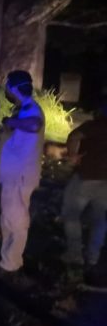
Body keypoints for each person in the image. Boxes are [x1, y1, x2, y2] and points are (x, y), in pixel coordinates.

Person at [0, 70, 44, 275]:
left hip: (20, 175)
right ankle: (6, 261)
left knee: (15, 220)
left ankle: (10, 265)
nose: (6, 91)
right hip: (12, 174)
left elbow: (34, 124)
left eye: (7, 87)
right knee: (7, 219)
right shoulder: (22, 109)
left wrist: (11, 122)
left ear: (13, 88)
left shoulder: (31, 108)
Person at [61, 102, 107, 283]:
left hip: (86, 178)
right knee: (100, 218)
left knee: (71, 215)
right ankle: (93, 256)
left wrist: (73, 156)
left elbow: (74, 136)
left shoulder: (95, 125)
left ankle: (75, 254)